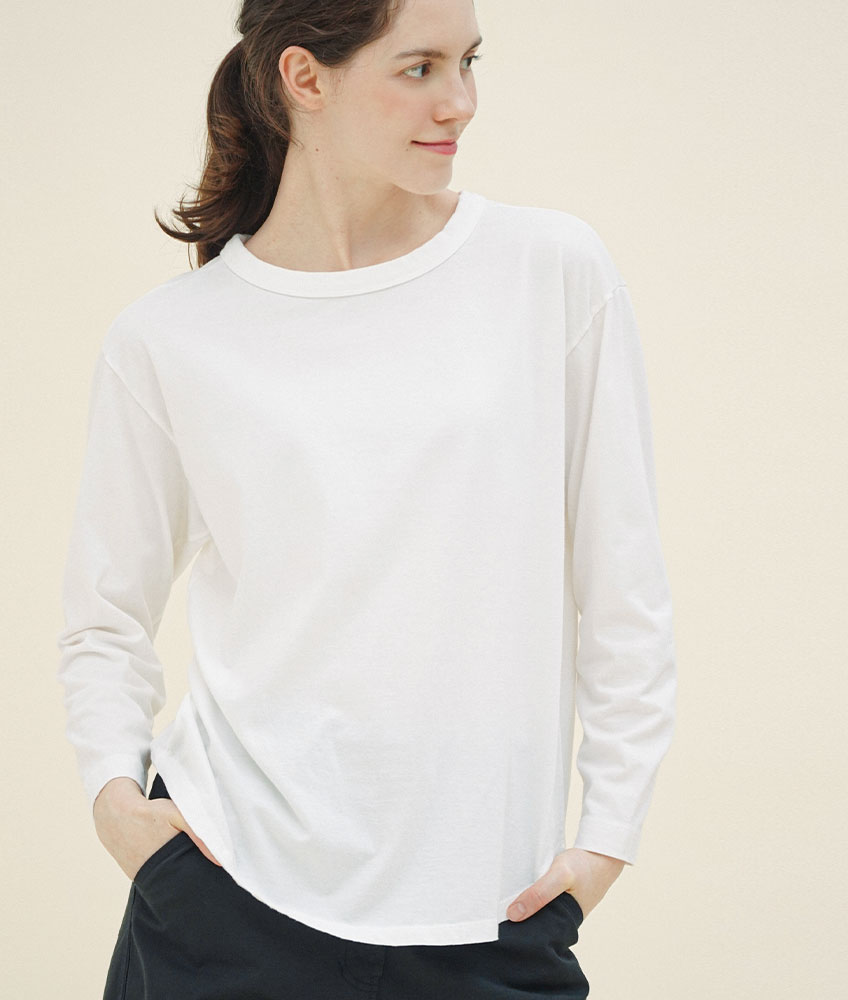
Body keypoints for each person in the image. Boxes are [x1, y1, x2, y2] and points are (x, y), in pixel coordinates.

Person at [55, 0, 678, 996]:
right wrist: (120, 810)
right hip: (222, 895)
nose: (460, 102)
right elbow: (104, 615)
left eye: (469, 62)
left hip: (490, 913)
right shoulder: (171, 337)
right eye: (419, 68)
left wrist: (607, 839)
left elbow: (623, 588)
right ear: (305, 77)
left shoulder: (549, 271)